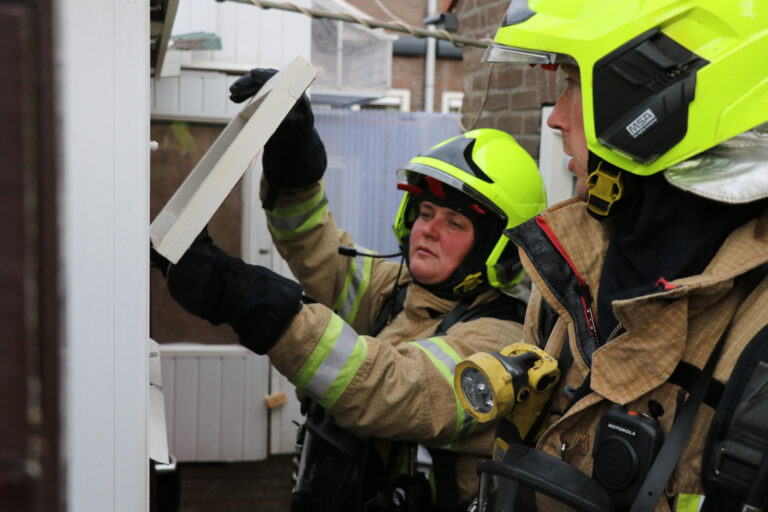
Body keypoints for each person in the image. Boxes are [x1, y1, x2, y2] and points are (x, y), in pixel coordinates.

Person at [152, 69, 547, 511]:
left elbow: (389, 388)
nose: (428, 230)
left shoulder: (502, 343)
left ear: (499, 247)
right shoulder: (402, 293)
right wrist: (293, 155)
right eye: (427, 211)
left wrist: (246, 299)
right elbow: (316, 249)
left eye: (454, 223)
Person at [469, 1, 768, 511]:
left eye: (572, 83)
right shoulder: (572, 269)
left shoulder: (756, 339)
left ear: (657, 99)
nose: (556, 119)